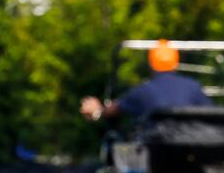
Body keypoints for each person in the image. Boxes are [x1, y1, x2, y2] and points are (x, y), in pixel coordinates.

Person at [79, 39, 211, 124]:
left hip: (156, 156)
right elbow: (210, 114)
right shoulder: (193, 87)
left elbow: (113, 109)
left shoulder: (142, 91)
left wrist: (97, 110)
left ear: (151, 64)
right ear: (176, 63)